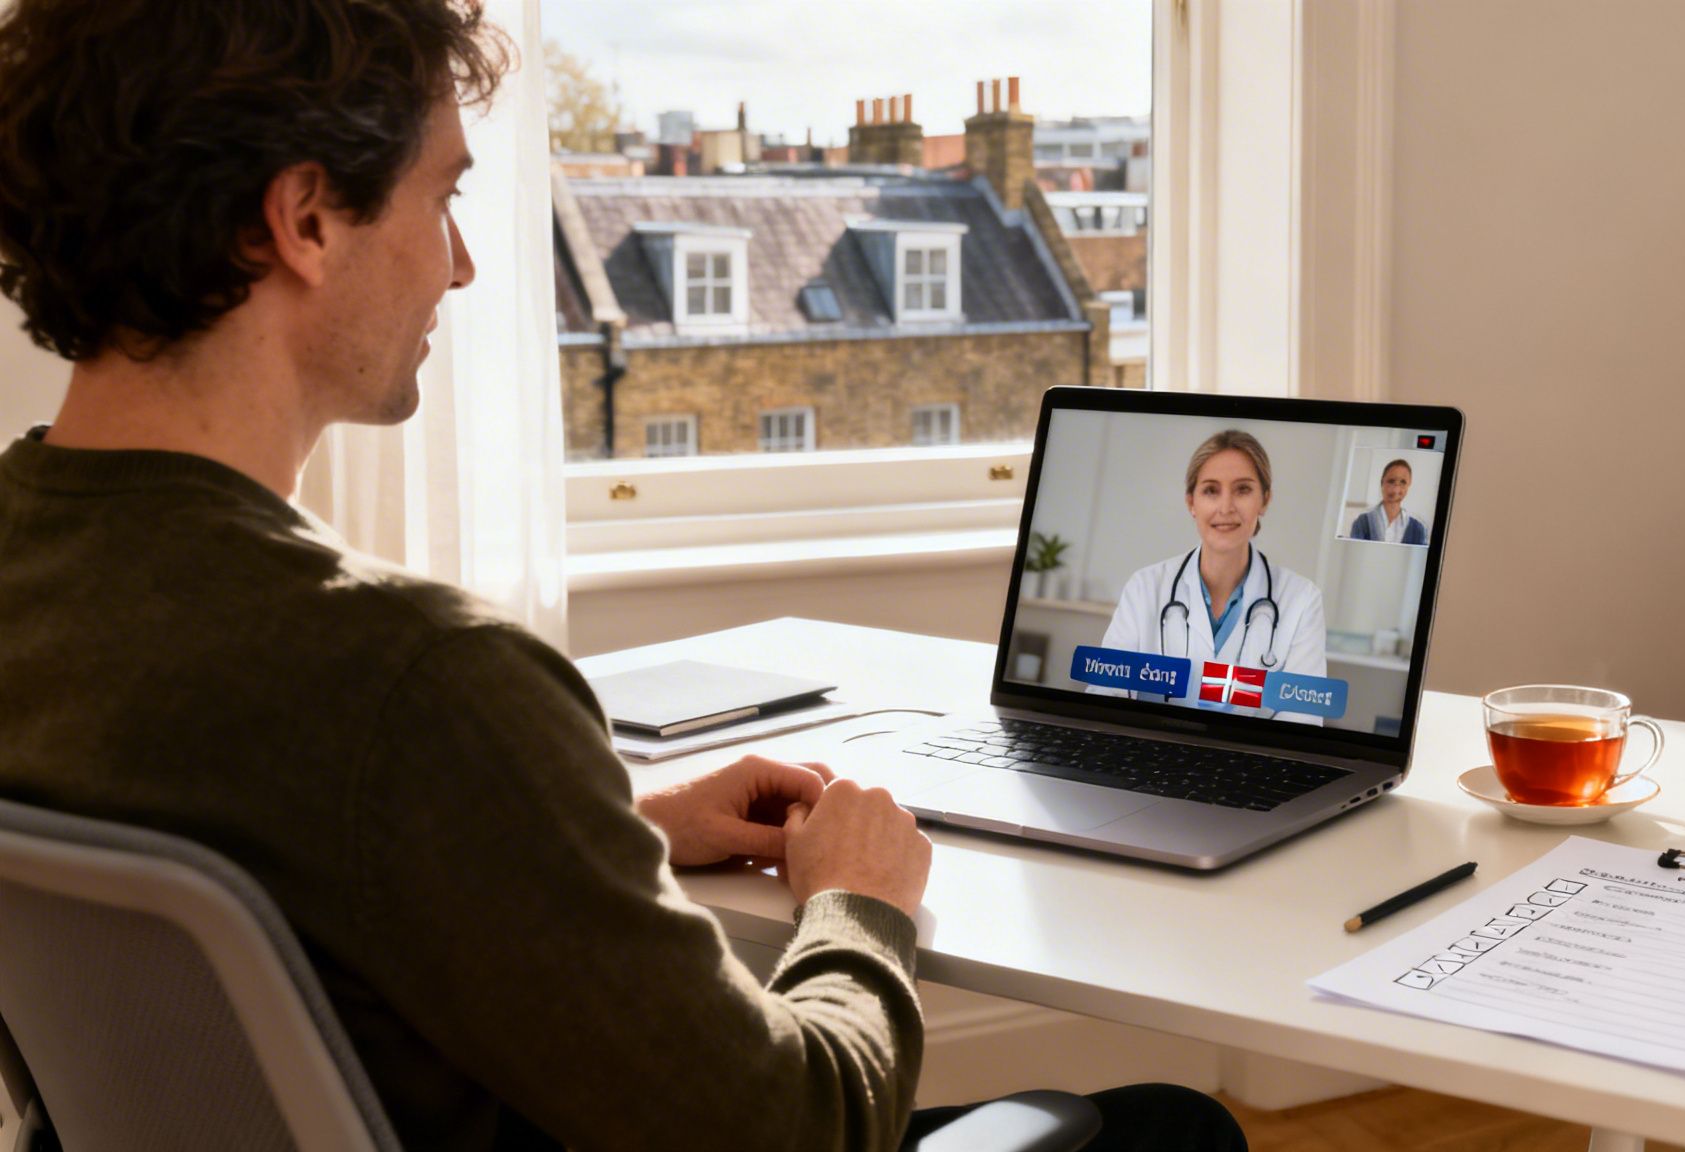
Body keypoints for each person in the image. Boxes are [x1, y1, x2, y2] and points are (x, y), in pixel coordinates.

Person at [0, 3, 1244, 1150]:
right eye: (442, 200)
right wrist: (860, 906)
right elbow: (797, 1127)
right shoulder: (416, 678)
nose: (461, 266)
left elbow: (278, 910)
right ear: (308, 219)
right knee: (1162, 1131)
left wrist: (600, 837)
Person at [1095, 430, 1328, 724]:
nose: (1226, 507)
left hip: (1251, 763)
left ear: (1264, 501)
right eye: (1211, 490)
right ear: (1191, 502)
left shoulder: (1302, 600)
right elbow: (1105, 695)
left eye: (1242, 489)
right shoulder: (1145, 588)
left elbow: (1302, 721)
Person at [1348, 458, 1429, 545]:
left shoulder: (1418, 529)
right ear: (1382, 483)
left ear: (1408, 486)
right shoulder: (1362, 522)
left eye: (1403, 482)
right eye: (1391, 481)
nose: (1396, 488)